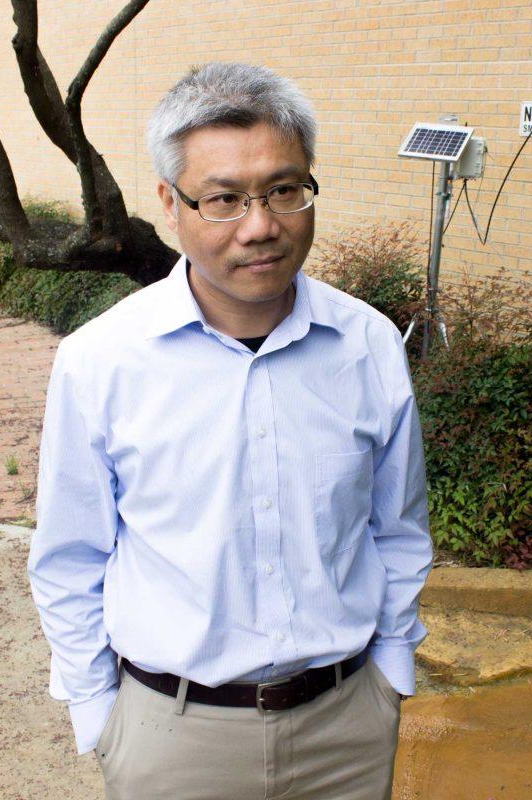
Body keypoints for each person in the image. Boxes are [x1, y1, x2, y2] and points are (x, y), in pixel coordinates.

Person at [28, 62, 433, 800]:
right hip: (172, 740)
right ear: (170, 204)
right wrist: (101, 718)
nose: (261, 227)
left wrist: (390, 676)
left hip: (346, 728)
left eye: (284, 190)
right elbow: (69, 556)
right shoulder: (100, 362)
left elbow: (397, 527)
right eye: (224, 199)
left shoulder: (368, 344)